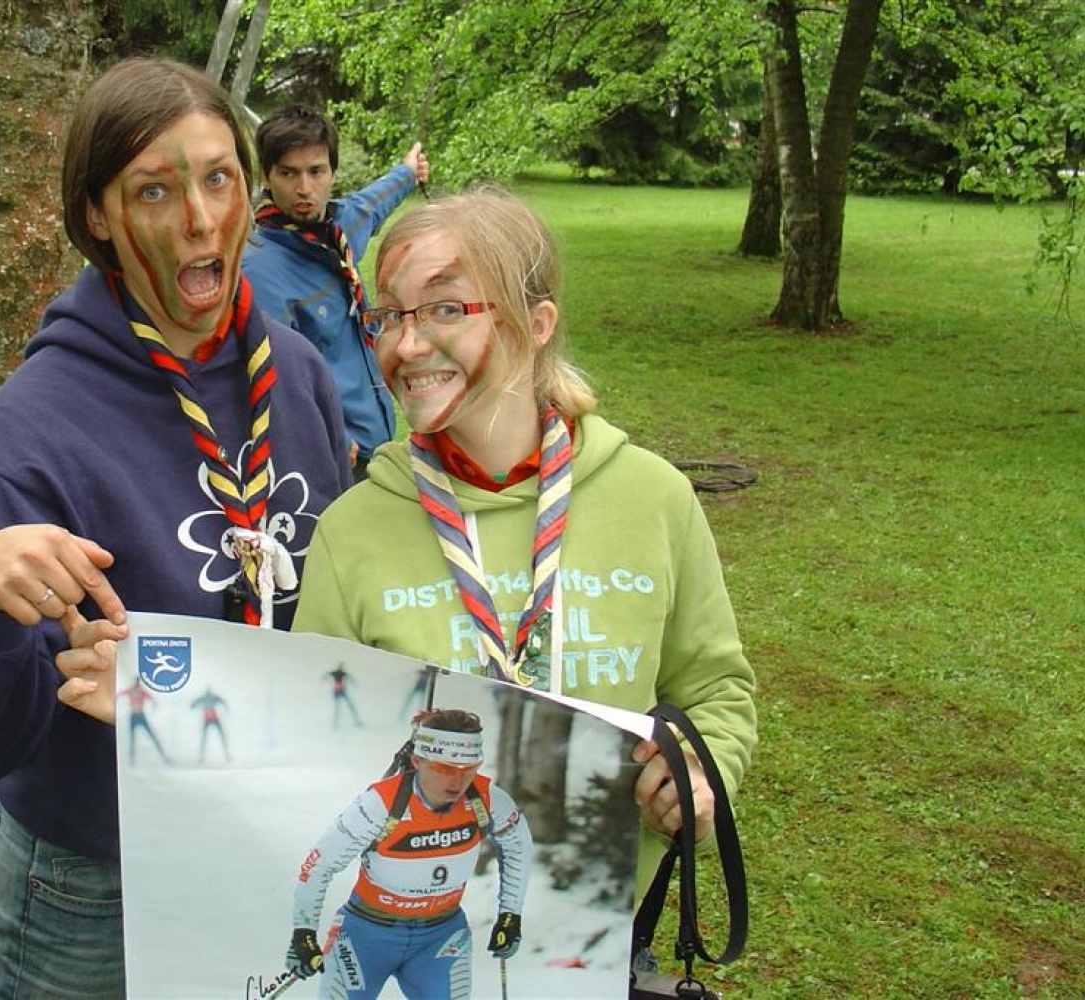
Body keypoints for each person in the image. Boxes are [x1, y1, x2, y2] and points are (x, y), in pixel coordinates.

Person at [0, 57, 352, 998]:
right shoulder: (35, 429)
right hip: (95, 881)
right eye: (154, 190)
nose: (200, 220)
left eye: (218, 178)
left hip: (276, 840)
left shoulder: (300, 375)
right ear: (98, 218)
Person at [291, 189, 758, 933]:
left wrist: (703, 775)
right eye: (388, 315)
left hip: (601, 939)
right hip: (413, 920)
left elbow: (716, 690)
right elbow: (305, 739)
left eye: (445, 309)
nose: (404, 346)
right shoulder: (354, 531)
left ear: (537, 325)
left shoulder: (654, 500)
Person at [286, 708, 531, 998]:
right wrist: (304, 933)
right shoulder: (380, 805)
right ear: (418, 761)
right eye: (444, 769)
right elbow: (319, 865)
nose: (457, 781)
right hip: (366, 934)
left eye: (468, 769)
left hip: (441, 936)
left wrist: (510, 915)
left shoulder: (488, 798)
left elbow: (518, 844)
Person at [243, 107, 431, 479]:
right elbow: (274, 376)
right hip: (337, 456)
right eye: (288, 173)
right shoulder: (259, 271)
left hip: (380, 438)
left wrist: (408, 173)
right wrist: (328, 435)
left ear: (332, 172)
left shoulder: (337, 230)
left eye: (316, 172)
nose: (304, 189)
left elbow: (373, 204)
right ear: (265, 175)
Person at [119, 680, 171, 764]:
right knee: (135, 739)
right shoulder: (137, 691)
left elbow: (119, 695)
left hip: (138, 715)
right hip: (136, 715)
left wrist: (154, 705)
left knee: (144, 738)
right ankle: (131, 760)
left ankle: (164, 757)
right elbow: (152, 699)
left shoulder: (134, 691)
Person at [191, 686, 232, 764]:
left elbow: (222, 700)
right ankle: (202, 757)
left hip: (213, 718)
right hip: (208, 718)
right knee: (206, 738)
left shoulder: (210, 697)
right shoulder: (207, 698)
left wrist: (193, 706)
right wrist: (193, 706)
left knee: (217, 736)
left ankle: (227, 755)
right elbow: (194, 703)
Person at [325, 664, 364, 729]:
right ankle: (336, 723)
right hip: (340, 691)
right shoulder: (342, 673)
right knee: (344, 707)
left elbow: (327, 674)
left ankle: (336, 723)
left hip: (339, 692)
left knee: (339, 708)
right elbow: (350, 677)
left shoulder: (336, 673)